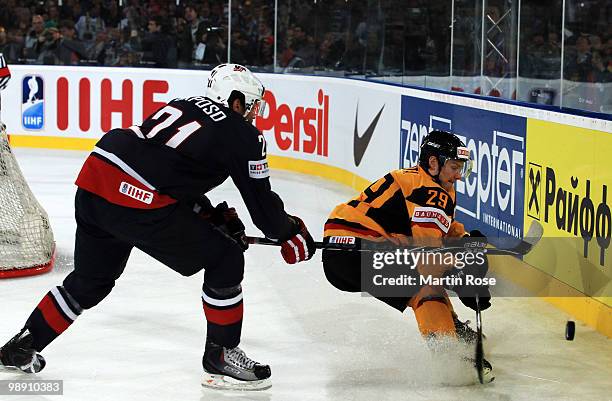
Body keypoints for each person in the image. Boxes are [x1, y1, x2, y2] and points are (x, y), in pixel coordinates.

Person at [0, 63, 316, 391]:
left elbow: (164, 170)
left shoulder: (183, 104)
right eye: (251, 105)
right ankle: (221, 356)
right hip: (135, 199)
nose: (253, 114)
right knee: (226, 257)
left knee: (90, 281)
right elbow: (263, 209)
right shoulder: (243, 133)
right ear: (235, 100)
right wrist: (290, 232)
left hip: (96, 179)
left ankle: (23, 345)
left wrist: (207, 215)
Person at [321, 130, 494, 382]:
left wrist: (465, 239)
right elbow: (429, 260)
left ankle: (450, 327)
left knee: (419, 279)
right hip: (356, 251)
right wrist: (465, 276)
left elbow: (440, 231)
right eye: (454, 167)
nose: (459, 175)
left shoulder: (425, 182)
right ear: (433, 163)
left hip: (345, 249)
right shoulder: (429, 192)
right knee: (425, 283)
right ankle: (448, 354)